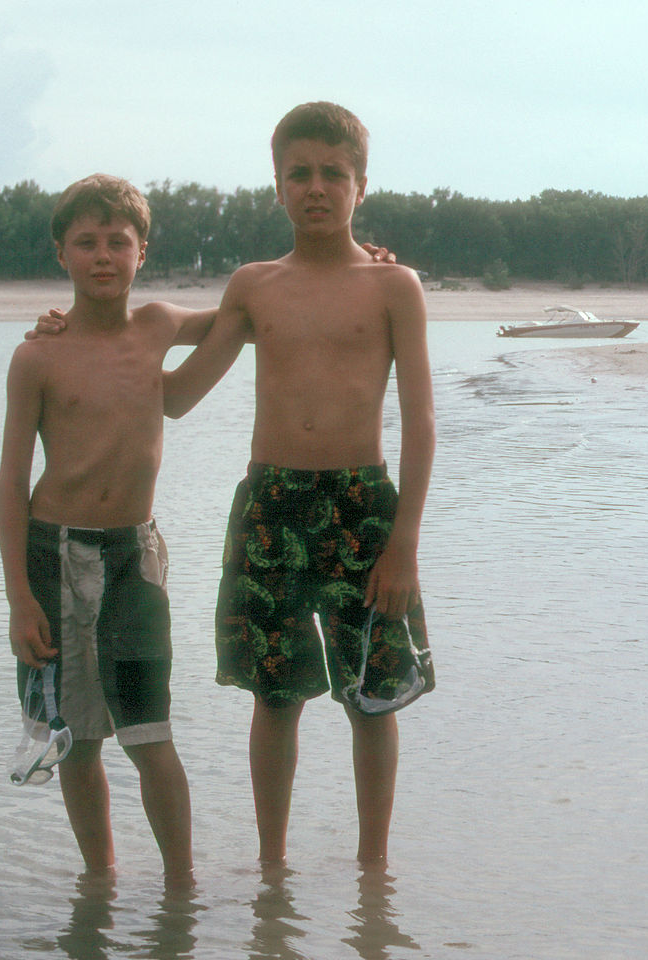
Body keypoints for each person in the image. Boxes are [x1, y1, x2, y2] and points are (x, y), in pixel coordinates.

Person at [162, 101, 436, 867]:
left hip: (363, 509)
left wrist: (404, 545)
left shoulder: (395, 286)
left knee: (371, 699)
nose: (316, 187)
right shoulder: (254, 286)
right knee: (274, 696)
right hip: (271, 506)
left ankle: (373, 873)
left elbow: (420, 424)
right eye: (300, 174)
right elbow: (177, 397)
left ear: (360, 186)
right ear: (277, 186)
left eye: (333, 174)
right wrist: (99, 333)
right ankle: (272, 872)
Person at [0, 173, 214, 884]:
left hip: (133, 557)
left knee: (150, 735)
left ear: (141, 252)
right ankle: (102, 881)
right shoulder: (37, 356)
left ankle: (181, 888)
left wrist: (360, 261)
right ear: (60, 253)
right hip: (52, 554)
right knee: (79, 740)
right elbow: (10, 480)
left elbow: (248, 311)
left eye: (117, 242)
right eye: (85, 242)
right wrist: (18, 599)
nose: (102, 256)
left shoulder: (158, 325)